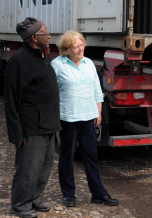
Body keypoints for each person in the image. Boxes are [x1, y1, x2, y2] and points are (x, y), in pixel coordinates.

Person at [51, 30, 119, 207]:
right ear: (67, 49)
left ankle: (98, 193)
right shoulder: (56, 65)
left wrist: (99, 112)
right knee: (67, 157)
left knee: (91, 156)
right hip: (68, 117)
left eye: (82, 45)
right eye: (77, 46)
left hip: (88, 116)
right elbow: (50, 93)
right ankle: (68, 194)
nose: (81, 49)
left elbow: (97, 89)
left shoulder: (88, 63)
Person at [4, 17, 60, 218]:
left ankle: (34, 197)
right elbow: (11, 100)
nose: (49, 36)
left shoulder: (42, 56)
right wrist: (15, 133)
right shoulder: (19, 61)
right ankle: (20, 204)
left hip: (48, 124)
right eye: (46, 34)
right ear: (34, 38)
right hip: (31, 127)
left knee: (44, 167)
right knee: (28, 169)